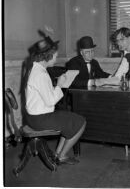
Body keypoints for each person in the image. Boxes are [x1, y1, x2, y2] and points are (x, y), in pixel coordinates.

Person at [22, 33, 86, 165]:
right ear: (48, 56)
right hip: (39, 119)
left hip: (34, 116)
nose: (56, 58)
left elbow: (44, 93)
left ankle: (58, 154)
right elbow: (51, 101)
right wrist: (60, 86)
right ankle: (61, 156)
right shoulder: (40, 74)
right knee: (81, 122)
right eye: (55, 55)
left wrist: (57, 85)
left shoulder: (36, 68)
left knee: (70, 119)